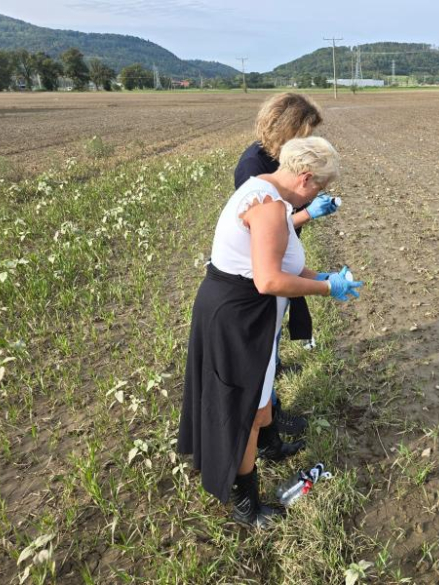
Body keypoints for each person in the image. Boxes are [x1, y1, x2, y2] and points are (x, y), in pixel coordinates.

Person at [179, 136, 362, 527]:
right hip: (237, 321)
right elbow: (268, 280)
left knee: (259, 410)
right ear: (306, 179)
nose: (319, 196)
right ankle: (246, 505)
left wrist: (323, 276)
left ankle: (255, 457)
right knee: (244, 413)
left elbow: (284, 265)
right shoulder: (267, 208)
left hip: (247, 317)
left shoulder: (265, 190)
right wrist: (328, 288)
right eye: (321, 188)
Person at [234, 93, 339, 438]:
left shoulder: (277, 163)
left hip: (278, 263)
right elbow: (263, 236)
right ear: (287, 129)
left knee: (272, 346)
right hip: (259, 278)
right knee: (261, 355)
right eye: (305, 133)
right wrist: (308, 213)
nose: (307, 142)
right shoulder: (255, 168)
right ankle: (269, 426)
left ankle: (270, 412)